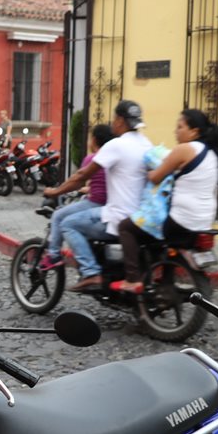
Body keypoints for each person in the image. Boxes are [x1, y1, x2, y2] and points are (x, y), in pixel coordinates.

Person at [112, 109, 218, 294]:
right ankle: (161, 278)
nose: (176, 131)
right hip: (203, 222)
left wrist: (147, 172)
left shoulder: (184, 149)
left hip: (181, 221)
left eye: (180, 127)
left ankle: (132, 279)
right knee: (156, 238)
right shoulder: (212, 153)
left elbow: (156, 177)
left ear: (194, 131)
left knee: (126, 227)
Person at [43, 99, 151, 292]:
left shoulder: (117, 145)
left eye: (114, 119)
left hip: (118, 216)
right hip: (142, 218)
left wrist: (56, 191)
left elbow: (82, 176)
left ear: (119, 120)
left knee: (68, 223)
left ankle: (91, 272)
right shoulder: (146, 144)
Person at [39, 123, 114, 270]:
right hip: (110, 204)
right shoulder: (114, 158)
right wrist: (87, 189)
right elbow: (101, 183)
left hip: (95, 203)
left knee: (59, 216)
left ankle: (53, 255)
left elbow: (77, 181)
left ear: (94, 140)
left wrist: (54, 191)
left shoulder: (92, 158)